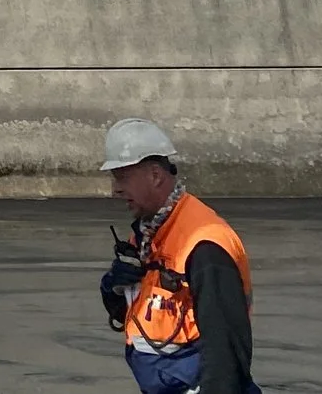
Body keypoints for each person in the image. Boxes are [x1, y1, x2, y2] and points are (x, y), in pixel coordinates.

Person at [97, 118, 258, 394]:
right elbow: (143, 317)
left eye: (122, 177)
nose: (116, 189)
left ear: (155, 175)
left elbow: (226, 351)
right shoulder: (150, 234)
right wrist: (112, 288)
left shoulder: (204, 244)